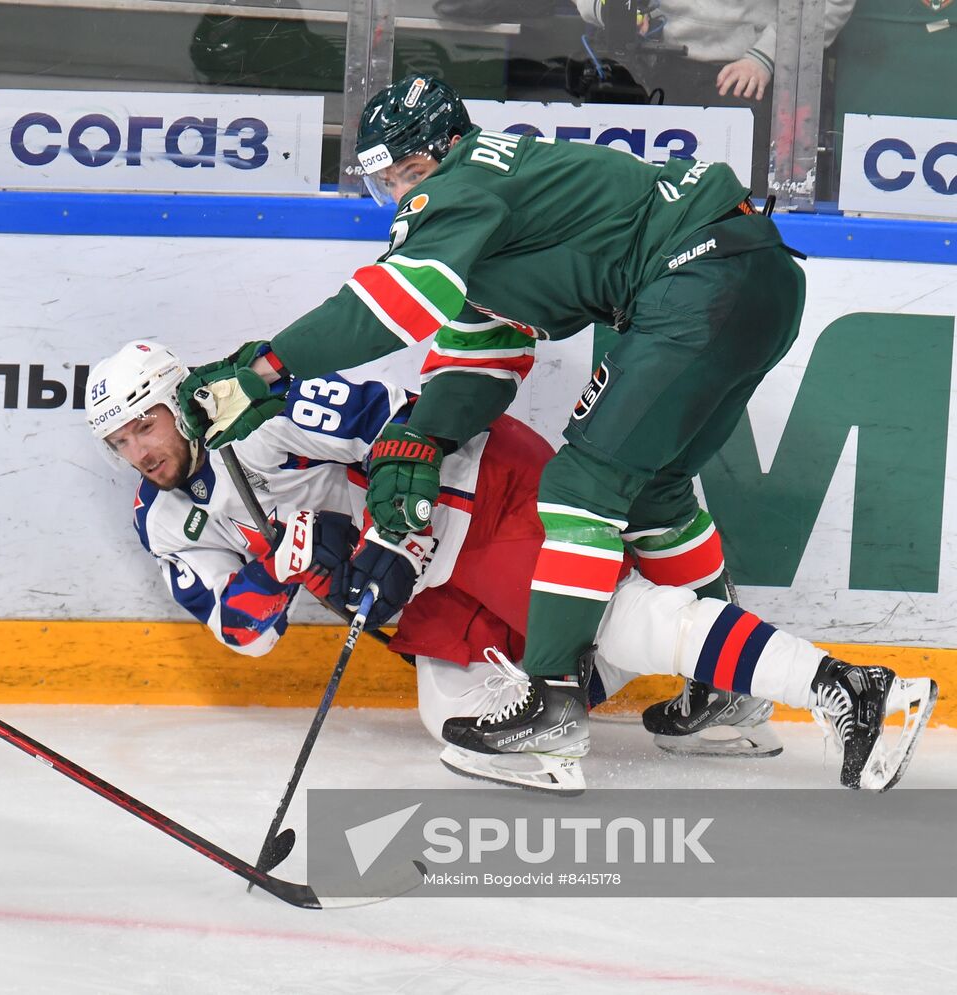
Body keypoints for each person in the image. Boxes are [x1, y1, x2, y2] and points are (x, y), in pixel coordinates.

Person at [168, 72, 908, 789]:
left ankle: (552, 703)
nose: (398, 193)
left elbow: (391, 305)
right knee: (654, 495)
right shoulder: (493, 207)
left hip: (697, 282)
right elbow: (485, 352)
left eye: (405, 172)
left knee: (580, 488)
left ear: (445, 145)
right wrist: (422, 435)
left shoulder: (458, 187)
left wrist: (265, 366)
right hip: (758, 274)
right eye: (384, 182)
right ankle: (726, 692)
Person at [88, 340, 937, 792]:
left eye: (146, 425)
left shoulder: (256, 414)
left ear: (177, 397)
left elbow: (402, 428)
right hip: (423, 583)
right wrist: (287, 568)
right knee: (455, 722)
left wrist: (376, 537)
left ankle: (843, 685)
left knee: (617, 616)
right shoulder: (160, 515)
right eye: (122, 441)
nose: (140, 451)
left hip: (471, 494)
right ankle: (668, 688)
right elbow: (246, 631)